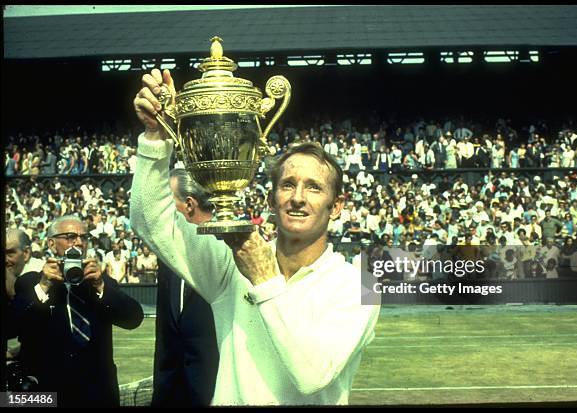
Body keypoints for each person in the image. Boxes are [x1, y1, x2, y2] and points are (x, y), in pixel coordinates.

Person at [131, 68, 380, 405]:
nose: (297, 197)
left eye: (314, 187)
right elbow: (151, 221)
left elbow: (313, 376)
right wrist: (155, 139)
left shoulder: (359, 285)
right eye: (288, 184)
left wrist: (264, 280)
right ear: (271, 199)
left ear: (336, 207)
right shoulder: (231, 266)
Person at [10, 215, 144, 407]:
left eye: (84, 237)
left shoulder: (100, 283)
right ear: (51, 243)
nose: (79, 242)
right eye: (70, 236)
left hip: (97, 394)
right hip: (46, 394)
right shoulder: (31, 283)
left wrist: (100, 286)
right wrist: (44, 286)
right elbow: (12, 326)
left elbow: (133, 319)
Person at [151, 168, 219, 407]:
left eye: (168, 202)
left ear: (189, 205)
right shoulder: (169, 254)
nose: (162, 212)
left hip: (213, 393)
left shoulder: (228, 249)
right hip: (170, 395)